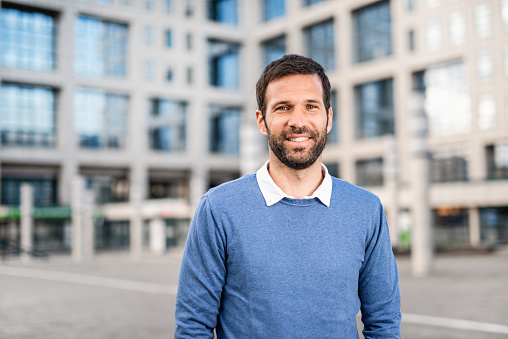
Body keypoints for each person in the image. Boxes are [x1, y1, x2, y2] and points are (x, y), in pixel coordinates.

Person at [175, 54, 401, 338]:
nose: (298, 121)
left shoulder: (366, 208)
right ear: (262, 121)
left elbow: (384, 324)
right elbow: (193, 327)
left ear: (328, 118)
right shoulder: (218, 208)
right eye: (283, 108)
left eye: (311, 106)